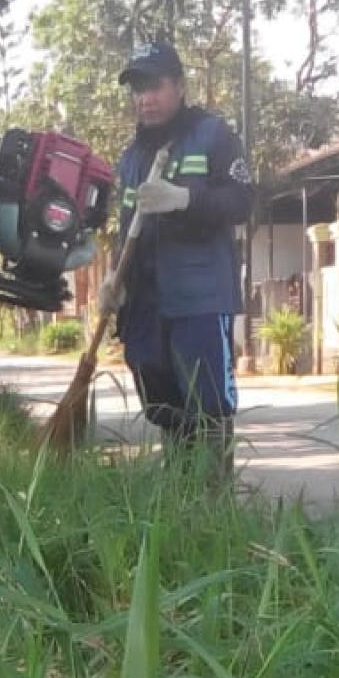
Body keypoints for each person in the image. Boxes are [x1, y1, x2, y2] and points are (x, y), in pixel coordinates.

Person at [99, 41, 253, 471]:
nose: (145, 98)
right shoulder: (133, 158)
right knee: (162, 403)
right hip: (147, 305)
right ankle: (179, 493)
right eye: (138, 89)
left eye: (155, 86)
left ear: (180, 87)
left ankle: (214, 496)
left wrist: (185, 199)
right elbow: (126, 227)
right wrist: (113, 279)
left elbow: (242, 201)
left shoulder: (213, 136)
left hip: (200, 298)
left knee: (208, 404)